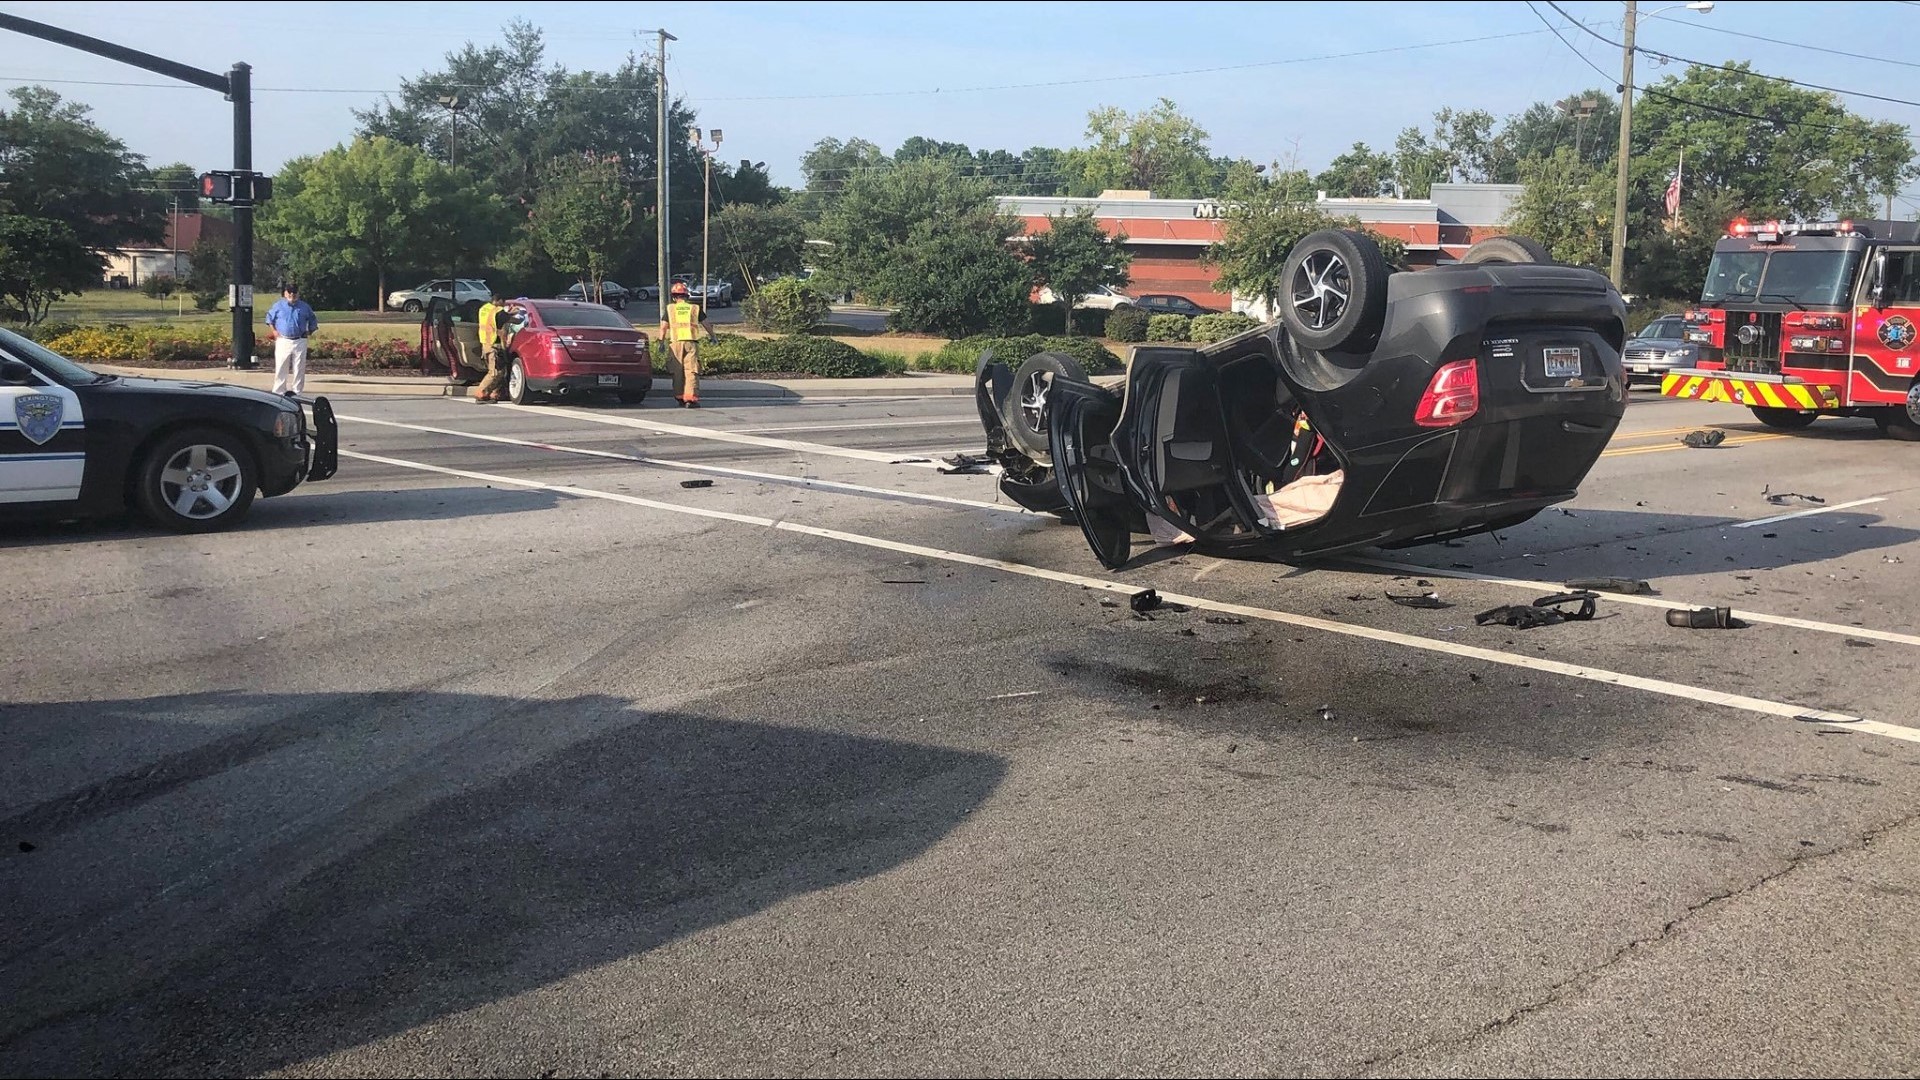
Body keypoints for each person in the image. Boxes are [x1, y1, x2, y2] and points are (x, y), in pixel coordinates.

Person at [658, 280, 713, 408]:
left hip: (675, 343)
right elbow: (706, 324)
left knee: (677, 371)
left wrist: (661, 342)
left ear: (673, 296)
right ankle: (690, 399)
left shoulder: (670, 309)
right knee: (691, 371)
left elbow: (663, 327)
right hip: (691, 343)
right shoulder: (694, 308)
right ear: (686, 296)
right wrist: (713, 336)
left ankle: (679, 397)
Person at [264, 283, 317, 397]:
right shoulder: (278, 306)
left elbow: (313, 319)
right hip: (283, 340)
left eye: (294, 292)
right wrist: (274, 331)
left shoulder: (304, 307)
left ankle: (297, 392)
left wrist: (310, 331)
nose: (292, 294)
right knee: (281, 366)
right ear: (285, 293)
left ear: (298, 293)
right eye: (289, 292)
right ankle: (279, 391)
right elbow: (269, 318)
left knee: (299, 367)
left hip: (300, 340)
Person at [474, 289, 514, 403]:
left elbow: (500, 318)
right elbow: (510, 319)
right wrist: (515, 314)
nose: (503, 305)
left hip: (485, 344)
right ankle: (480, 393)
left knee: (498, 372)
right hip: (493, 345)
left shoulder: (484, 309)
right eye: (503, 302)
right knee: (494, 373)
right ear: (498, 301)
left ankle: (492, 393)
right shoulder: (498, 311)